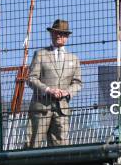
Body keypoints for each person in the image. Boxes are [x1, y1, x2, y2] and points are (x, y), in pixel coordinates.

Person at [26, 19, 82, 148]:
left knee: (61, 144)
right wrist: (48, 90)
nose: (58, 36)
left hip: (62, 108)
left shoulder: (74, 59)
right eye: (56, 33)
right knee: (34, 142)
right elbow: (31, 78)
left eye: (62, 34)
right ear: (51, 34)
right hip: (41, 106)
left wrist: (67, 92)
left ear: (67, 37)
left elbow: (77, 83)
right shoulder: (40, 54)